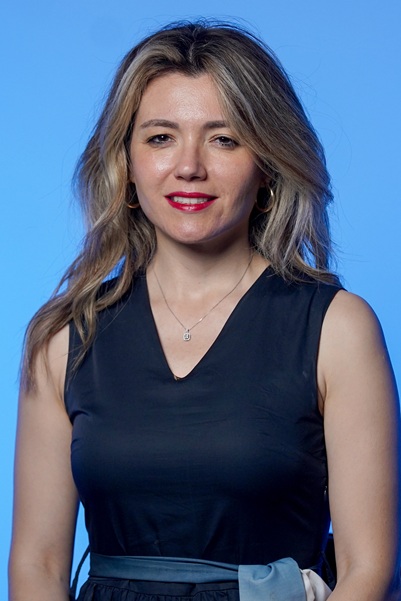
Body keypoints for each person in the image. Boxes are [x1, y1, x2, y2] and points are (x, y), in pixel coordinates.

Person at [8, 20, 400, 601]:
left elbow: (370, 570)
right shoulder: (67, 336)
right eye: (161, 138)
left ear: (267, 164)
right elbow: (37, 566)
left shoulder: (337, 328)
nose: (189, 166)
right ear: (127, 164)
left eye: (224, 139)